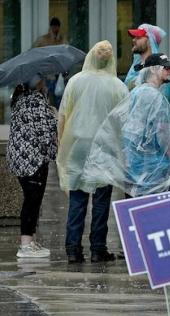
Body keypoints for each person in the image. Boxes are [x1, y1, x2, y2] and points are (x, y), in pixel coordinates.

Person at [57, 41, 129, 264]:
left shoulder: (75, 82)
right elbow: (126, 121)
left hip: (78, 145)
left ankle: (73, 248)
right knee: (101, 199)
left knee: (77, 198)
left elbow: (62, 116)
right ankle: (98, 248)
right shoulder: (118, 86)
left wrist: (61, 144)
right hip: (104, 148)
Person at [83, 53, 170, 198]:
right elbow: (161, 132)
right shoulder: (156, 97)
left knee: (135, 212)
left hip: (135, 166)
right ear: (153, 70)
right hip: (154, 168)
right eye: (166, 67)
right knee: (154, 214)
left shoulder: (136, 92)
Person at [6, 75, 57, 258]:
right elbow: (44, 133)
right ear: (37, 83)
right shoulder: (35, 100)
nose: (45, 81)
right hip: (32, 160)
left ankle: (31, 241)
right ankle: (26, 244)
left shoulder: (19, 99)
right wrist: (54, 118)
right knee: (32, 200)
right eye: (42, 79)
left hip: (21, 159)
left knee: (32, 200)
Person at [124, 24, 170, 102]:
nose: (133, 40)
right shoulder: (135, 68)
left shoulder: (160, 70)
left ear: (150, 41)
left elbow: (159, 103)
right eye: (134, 37)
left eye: (138, 37)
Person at [32, 17, 66, 108]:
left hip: (57, 75)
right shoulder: (43, 40)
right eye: (54, 27)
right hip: (46, 75)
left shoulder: (62, 40)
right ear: (51, 27)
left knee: (58, 100)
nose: (55, 29)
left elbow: (65, 55)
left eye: (57, 27)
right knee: (47, 100)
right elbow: (33, 52)